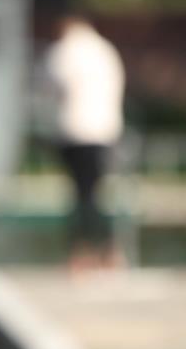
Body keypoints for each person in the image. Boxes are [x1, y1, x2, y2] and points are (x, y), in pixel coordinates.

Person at [38, 15, 126, 273]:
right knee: (97, 193)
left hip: (74, 132)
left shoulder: (64, 52)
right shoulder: (106, 50)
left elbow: (47, 87)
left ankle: (83, 252)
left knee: (82, 195)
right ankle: (109, 250)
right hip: (106, 131)